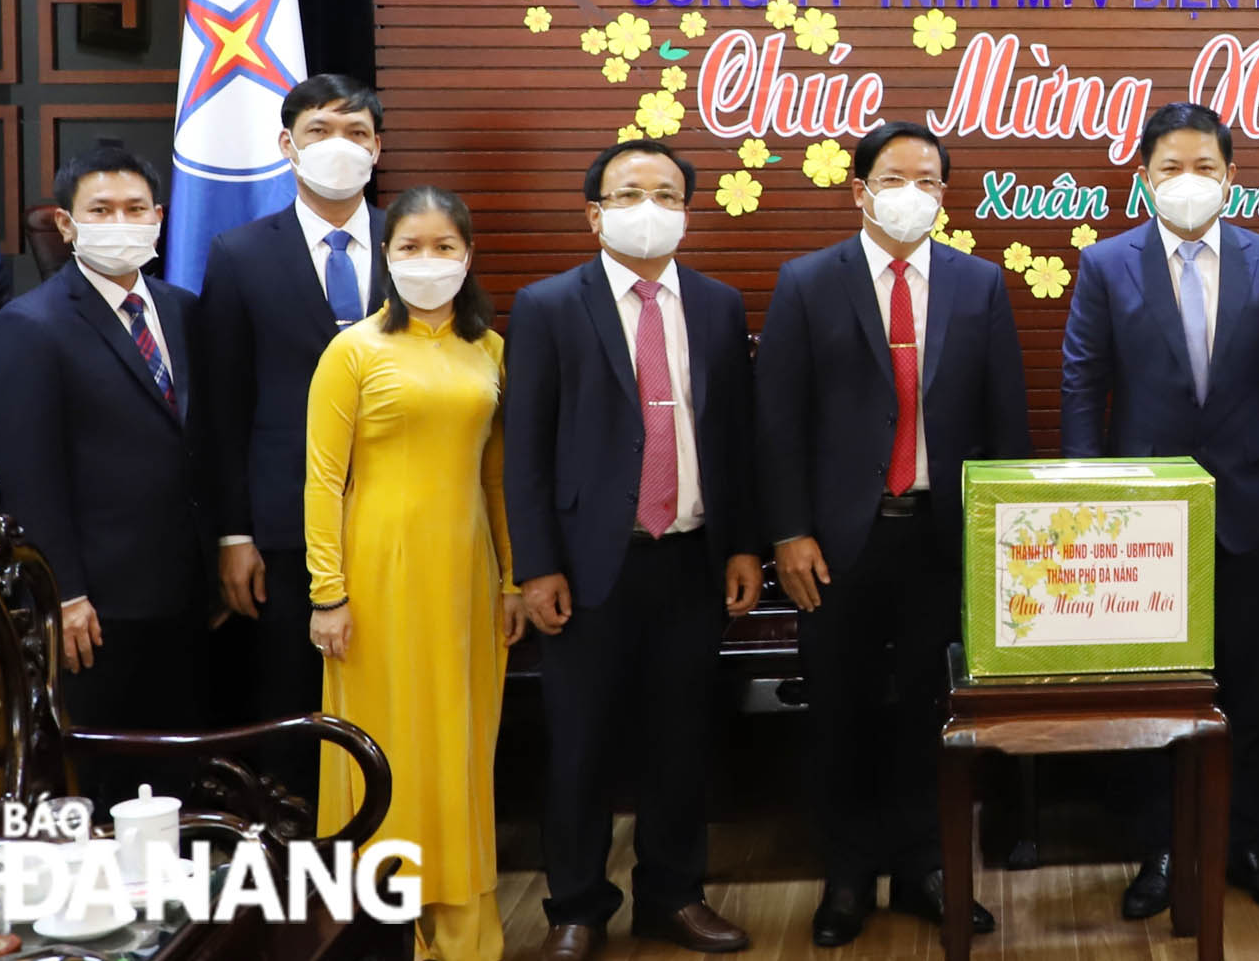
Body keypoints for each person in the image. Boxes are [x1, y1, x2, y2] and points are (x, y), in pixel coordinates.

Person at [756, 120, 1030, 948]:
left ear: (945, 196)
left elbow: (1005, 424)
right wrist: (788, 532)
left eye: (930, 181)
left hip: (940, 540)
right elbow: (778, 422)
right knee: (838, 709)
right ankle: (845, 875)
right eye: (897, 177)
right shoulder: (807, 281)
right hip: (836, 546)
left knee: (930, 710)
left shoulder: (979, 286)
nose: (914, 194)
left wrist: (1000, 540)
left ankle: (923, 863)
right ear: (860, 191)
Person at [505, 140, 761, 960]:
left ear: (687, 209)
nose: (647, 206)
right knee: (579, 744)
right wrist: (536, 564)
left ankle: (673, 896)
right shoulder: (547, 305)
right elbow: (526, 450)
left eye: (666, 192)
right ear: (594, 212)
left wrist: (742, 546)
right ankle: (576, 907)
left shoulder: (720, 305)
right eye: (628, 192)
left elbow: (735, 439)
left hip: (690, 557)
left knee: (681, 740)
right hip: (586, 566)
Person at [1060, 102, 1259, 917]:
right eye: (1170, 167)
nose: (1188, 181)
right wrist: (1089, 494)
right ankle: (1160, 846)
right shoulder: (1106, 266)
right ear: (1142, 178)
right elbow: (1082, 386)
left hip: (1246, 510)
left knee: (1247, 683)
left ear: (1232, 177)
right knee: (1153, 690)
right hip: (1140, 517)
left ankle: (1247, 838)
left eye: (1205, 166)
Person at [304, 186, 524, 961]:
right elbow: (323, 480)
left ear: (468, 257)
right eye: (409, 248)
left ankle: (462, 931)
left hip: (466, 575)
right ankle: (381, 931)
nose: (427, 262)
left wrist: (511, 581)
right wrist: (326, 593)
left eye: (444, 248)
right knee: (386, 739)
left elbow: (499, 479)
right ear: (386, 257)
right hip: (374, 577)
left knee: (461, 743)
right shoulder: (353, 349)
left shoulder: (490, 350)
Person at [0, 141, 210, 805]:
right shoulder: (29, 325)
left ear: (159, 217)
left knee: (186, 775)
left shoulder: (183, 309)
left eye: (135, 208)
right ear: (66, 223)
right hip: (98, 605)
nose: (121, 221)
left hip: (189, 593)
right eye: (102, 209)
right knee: (110, 782)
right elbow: (30, 470)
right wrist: (66, 593)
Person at [199, 74, 388, 798]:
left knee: (390, 696)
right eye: (319, 131)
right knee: (295, 705)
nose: (338, 146)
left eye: (356, 133)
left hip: (402, 515)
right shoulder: (240, 254)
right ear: (287, 144)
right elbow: (223, 406)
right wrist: (233, 533)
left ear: (377, 147)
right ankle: (302, 883)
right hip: (284, 529)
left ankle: (391, 871)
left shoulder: (419, 244)